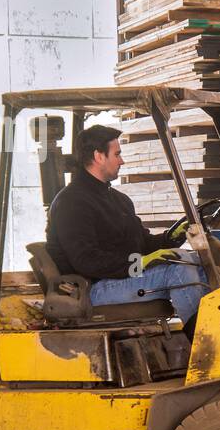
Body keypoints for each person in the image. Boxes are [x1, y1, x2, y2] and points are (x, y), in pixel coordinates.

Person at [46, 124, 209, 328]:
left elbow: (142, 243)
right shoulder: (72, 202)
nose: (122, 161)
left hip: (124, 277)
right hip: (93, 287)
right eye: (117, 154)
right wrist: (139, 263)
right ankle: (207, 343)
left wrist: (173, 237)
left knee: (198, 261)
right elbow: (86, 261)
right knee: (178, 270)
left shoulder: (118, 200)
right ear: (99, 156)